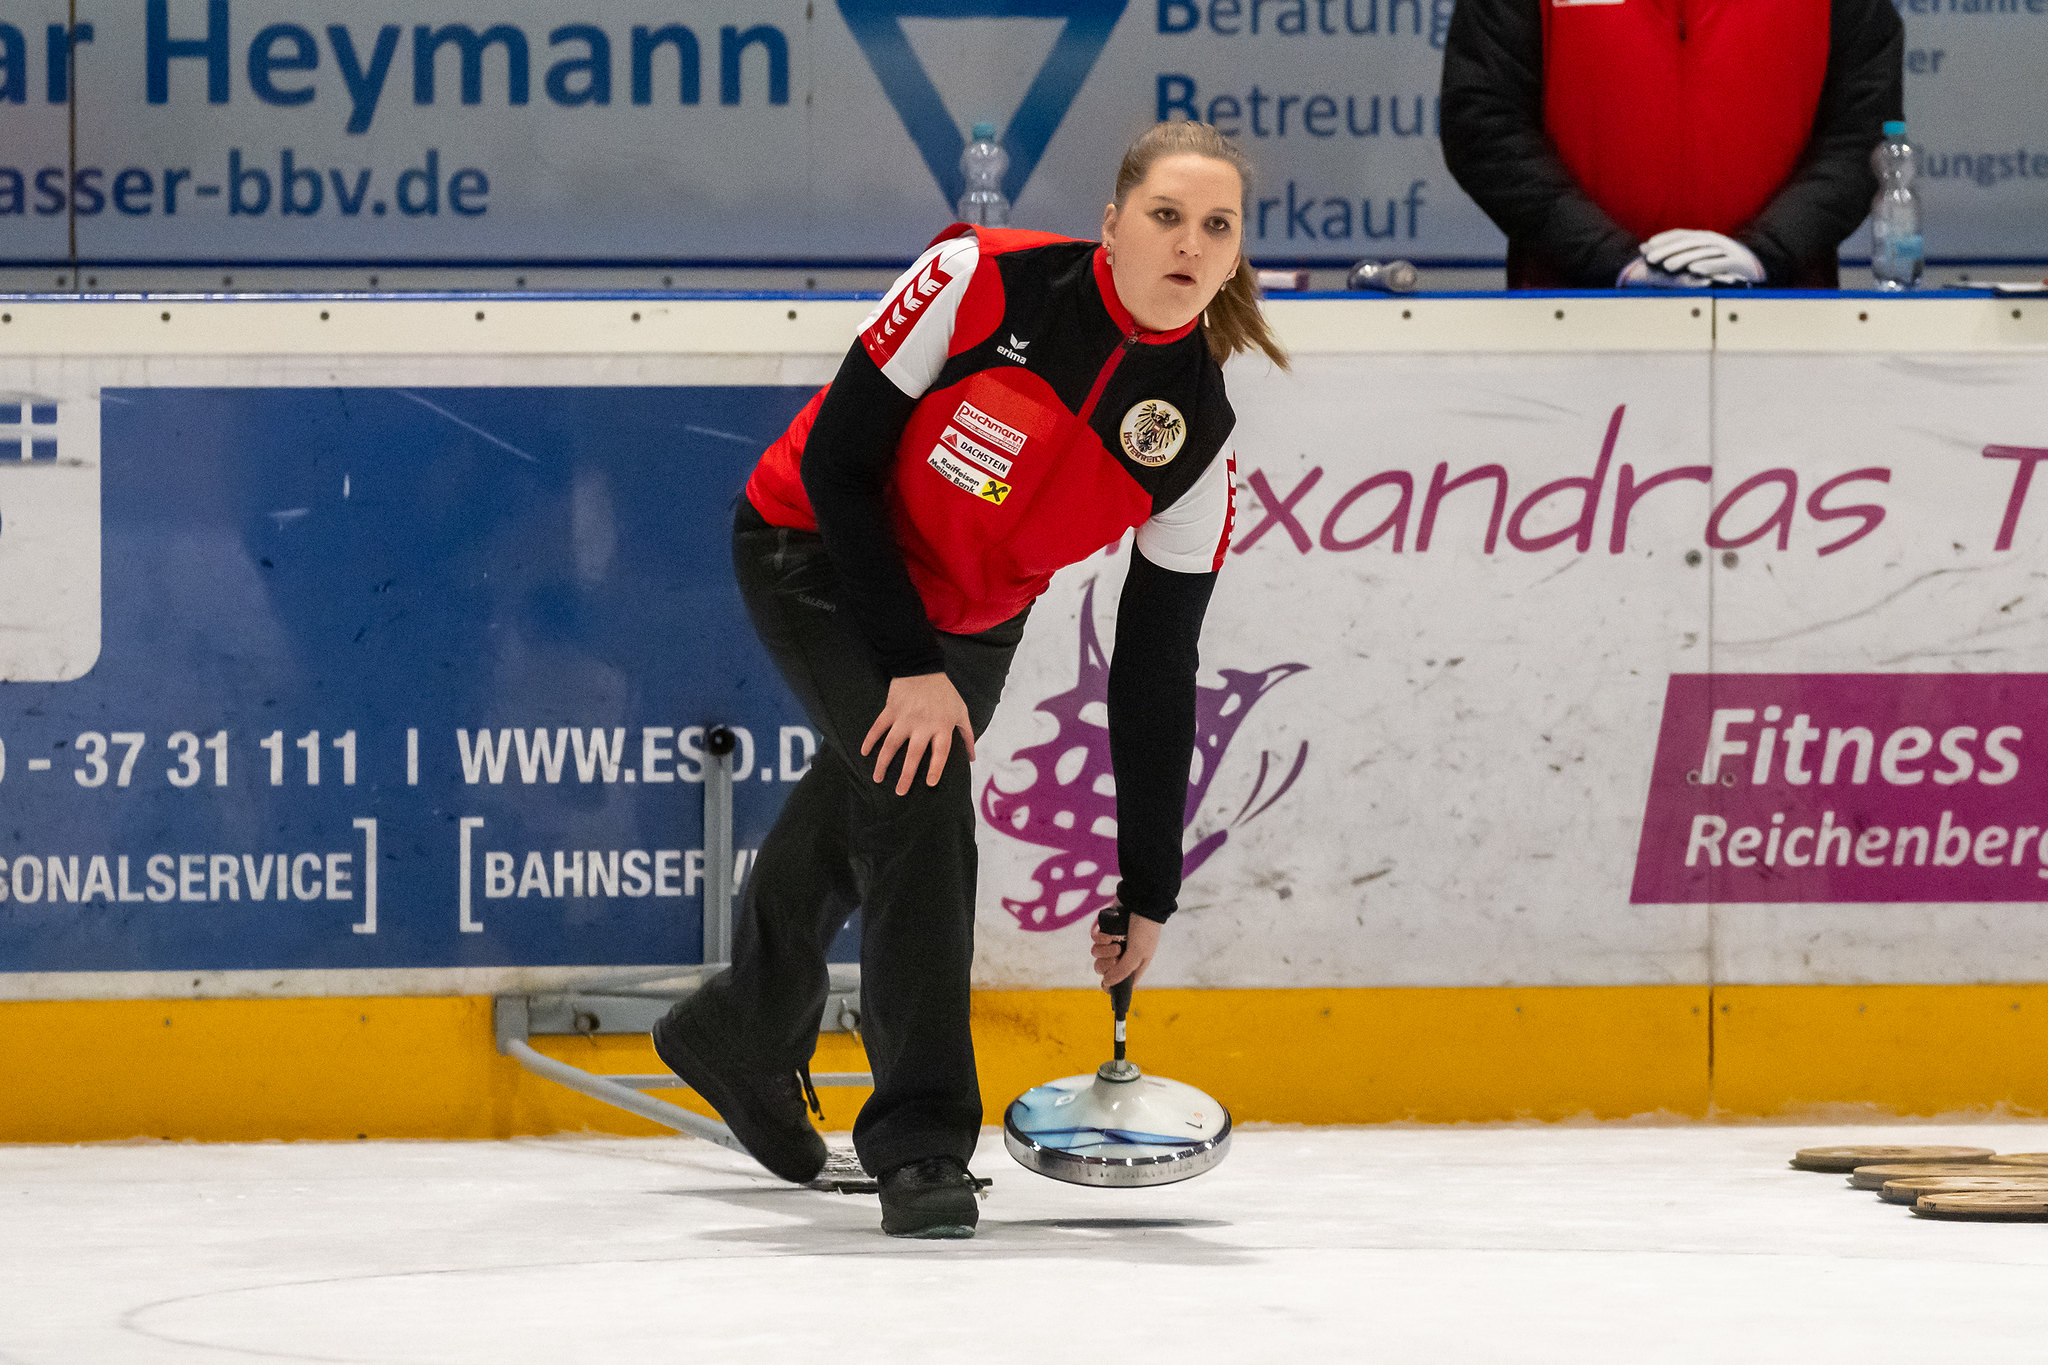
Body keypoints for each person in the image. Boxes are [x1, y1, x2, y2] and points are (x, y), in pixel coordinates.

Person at [652, 121, 1288, 1239]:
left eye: (1216, 227)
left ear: (1235, 258)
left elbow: (1152, 665)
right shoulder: (980, 282)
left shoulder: (1193, 437)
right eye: (1165, 215)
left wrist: (1146, 886)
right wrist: (905, 665)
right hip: (812, 548)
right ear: (1111, 222)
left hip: (973, 621)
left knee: (869, 798)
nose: (1188, 243)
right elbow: (843, 465)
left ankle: (739, 1031)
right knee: (918, 796)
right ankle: (920, 1140)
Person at [1439, 0, 1904, 289]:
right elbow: (1484, 127)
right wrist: (1613, 263)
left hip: (1781, 321)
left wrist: (1765, 255)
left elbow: (1863, 135)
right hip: (1572, 317)